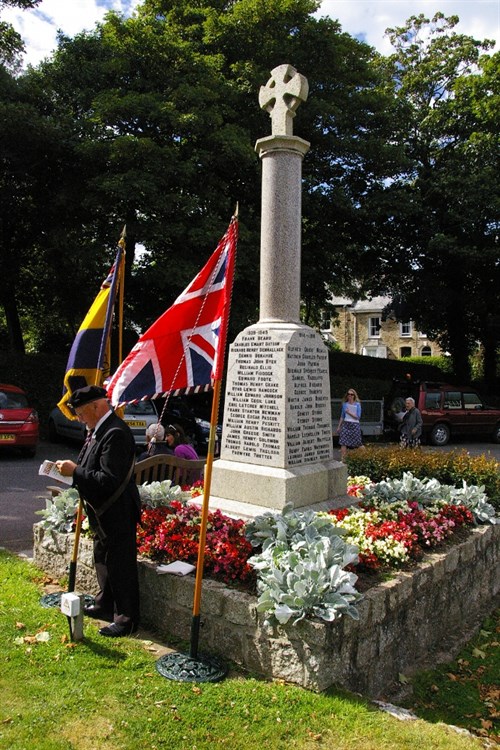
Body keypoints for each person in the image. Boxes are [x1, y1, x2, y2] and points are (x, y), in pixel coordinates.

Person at [55, 385, 141, 637]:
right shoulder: (99, 429)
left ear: (97, 406)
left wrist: (75, 472)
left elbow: (109, 479)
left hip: (117, 510)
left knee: (120, 564)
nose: (79, 419)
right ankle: (105, 605)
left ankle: (127, 619)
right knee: (102, 559)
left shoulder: (115, 432)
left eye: (81, 413)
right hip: (102, 510)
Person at [336, 388, 363, 461]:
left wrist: (349, 412)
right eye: (348, 394)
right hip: (346, 424)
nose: (350, 395)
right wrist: (339, 426)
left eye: (351, 394)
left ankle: (366, 455)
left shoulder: (357, 405)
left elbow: (358, 417)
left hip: (354, 425)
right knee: (343, 442)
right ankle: (343, 460)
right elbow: (342, 416)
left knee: (358, 443)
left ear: (354, 396)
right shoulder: (345, 404)